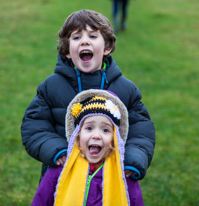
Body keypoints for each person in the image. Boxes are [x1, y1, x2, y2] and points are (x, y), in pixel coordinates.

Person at [21, 9, 155, 184]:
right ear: (67, 51)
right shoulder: (51, 86)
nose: (84, 41)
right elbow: (34, 126)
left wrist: (132, 159)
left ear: (107, 47)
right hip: (62, 178)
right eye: (76, 37)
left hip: (110, 179)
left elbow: (141, 130)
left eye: (92, 36)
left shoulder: (125, 89)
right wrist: (58, 151)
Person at [31, 89, 144, 206]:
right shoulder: (61, 169)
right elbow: (41, 201)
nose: (96, 135)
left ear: (115, 139)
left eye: (105, 130)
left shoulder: (124, 174)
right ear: (77, 135)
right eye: (89, 128)